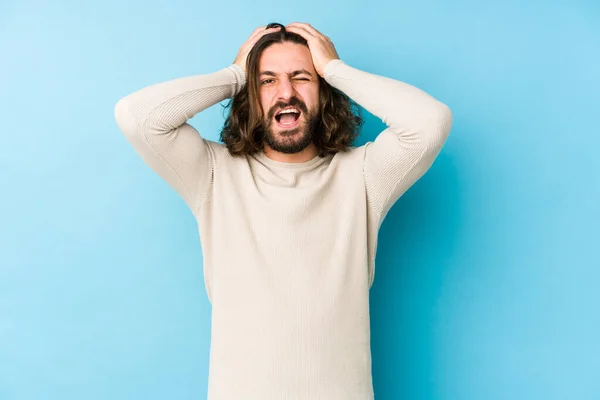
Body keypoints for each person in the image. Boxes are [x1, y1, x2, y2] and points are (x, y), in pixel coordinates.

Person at [114, 21, 452, 400]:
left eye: (302, 77)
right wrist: (234, 75)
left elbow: (429, 123)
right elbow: (137, 116)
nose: (286, 93)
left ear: (324, 93)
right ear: (250, 94)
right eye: (267, 80)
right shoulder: (214, 173)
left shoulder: (362, 176)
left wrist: (335, 70)